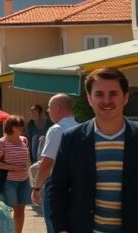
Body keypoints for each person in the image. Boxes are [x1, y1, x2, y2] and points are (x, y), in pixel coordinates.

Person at [49, 67, 138, 233]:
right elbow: (57, 188)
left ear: (125, 98)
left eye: (113, 93)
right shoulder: (72, 139)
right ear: (89, 98)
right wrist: (61, 228)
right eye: (99, 94)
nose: (106, 100)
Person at [30, 93, 76, 233]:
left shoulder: (56, 130)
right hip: (76, 185)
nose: (48, 112)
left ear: (58, 108)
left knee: (54, 226)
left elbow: (47, 162)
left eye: (49, 108)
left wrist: (36, 188)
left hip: (56, 185)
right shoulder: (81, 127)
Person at [0, 115, 30, 233]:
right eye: (17, 125)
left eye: (21, 125)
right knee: (8, 208)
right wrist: (11, 167)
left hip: (24, 180)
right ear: (10, 127)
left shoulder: (24, 140)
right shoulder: (2, 142)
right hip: (9, 181)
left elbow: (27, 158)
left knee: (21, 209)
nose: (20, 127)